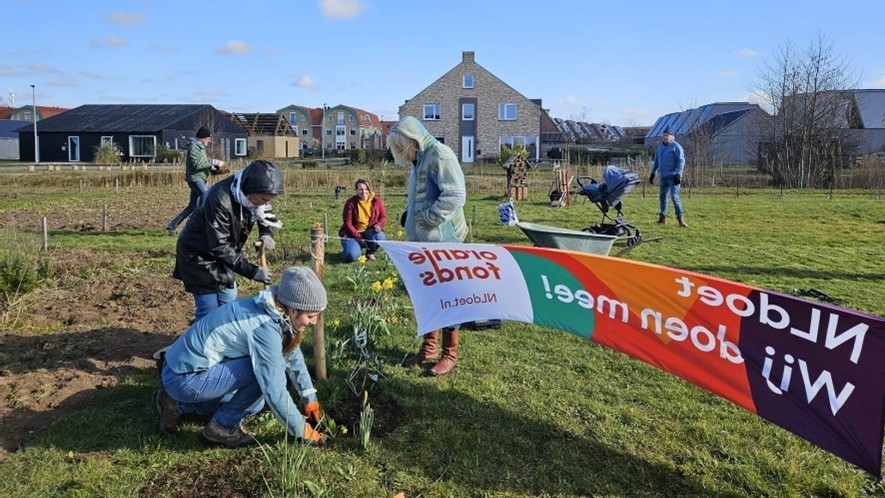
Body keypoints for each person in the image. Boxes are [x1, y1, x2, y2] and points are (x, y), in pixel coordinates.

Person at [155, 266, 328, 447]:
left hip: (183, 371)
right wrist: (303, 431)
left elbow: (291, 353)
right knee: (262, 376)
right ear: (292, 310)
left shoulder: (273, 310)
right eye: (310, 316)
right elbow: (274, 388)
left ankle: (176, 404)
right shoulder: (264, 326)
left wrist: (309, 399)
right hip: (184, 378)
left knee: (255, 405)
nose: (314, 322)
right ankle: (221, 428)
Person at [388, 116, 468, 376]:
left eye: (402, 148)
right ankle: (429, 348)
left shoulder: (440, 155)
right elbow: (422, 196)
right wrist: (409, 215)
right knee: (428, 295)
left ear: (413, 140)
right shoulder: (419, 159)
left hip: (445, 242)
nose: (401, 155)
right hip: (424, 244)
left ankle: (449, 354)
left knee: (448, 297)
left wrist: (428, 218)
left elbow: (455, 194)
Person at [173, 159, 284, 320]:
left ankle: (223, 342)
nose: (265, 204)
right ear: (249, 190)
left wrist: (266, 232)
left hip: (224, 258)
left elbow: (263, 211)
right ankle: (202, 343)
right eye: (263, 199)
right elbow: (220, 246)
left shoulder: (252, 195)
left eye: (269, 200)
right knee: (208, 310)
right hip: (198, 256)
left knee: (229, 305)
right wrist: (253, 271)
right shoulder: (219, 200)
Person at [165, 126, 224, 236]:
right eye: (208, 138)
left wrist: (213, 168)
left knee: (192, 206)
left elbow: (201, 163)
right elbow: (197, 164)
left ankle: (171, 228)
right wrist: (213, 162)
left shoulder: (199, 147)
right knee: (209, 199)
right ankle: (209, 229)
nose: (210, 141)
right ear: (202, 138)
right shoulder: (194, 147)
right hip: (195, 179)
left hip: (198, 178)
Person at [338, 178, 388, 262]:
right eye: (361, 189)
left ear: (369, 189)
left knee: (380, 237)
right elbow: (348, 224)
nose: (364, 192)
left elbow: (384, 216)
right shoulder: (350, 203)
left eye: (366, 189)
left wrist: (379, 225)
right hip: (352, 234)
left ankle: (370, 252)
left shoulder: (377, 201)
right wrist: (359, 237)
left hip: (368, 231)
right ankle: (352, 248)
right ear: (356, 190)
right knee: (351, 256)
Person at [649, 126, 688, 227]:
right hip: (663, 177)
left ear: (672, 136)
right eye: (664, 135)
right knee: (662, 197)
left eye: (667, 135)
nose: (665, 137)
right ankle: (662, 218)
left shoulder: (676, 146)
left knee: (675, 197)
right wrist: (652, 173)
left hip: (673, 177)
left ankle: (681, 220)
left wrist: (679, 174)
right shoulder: (660, 147)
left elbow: (681, 161)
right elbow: (657, 161)